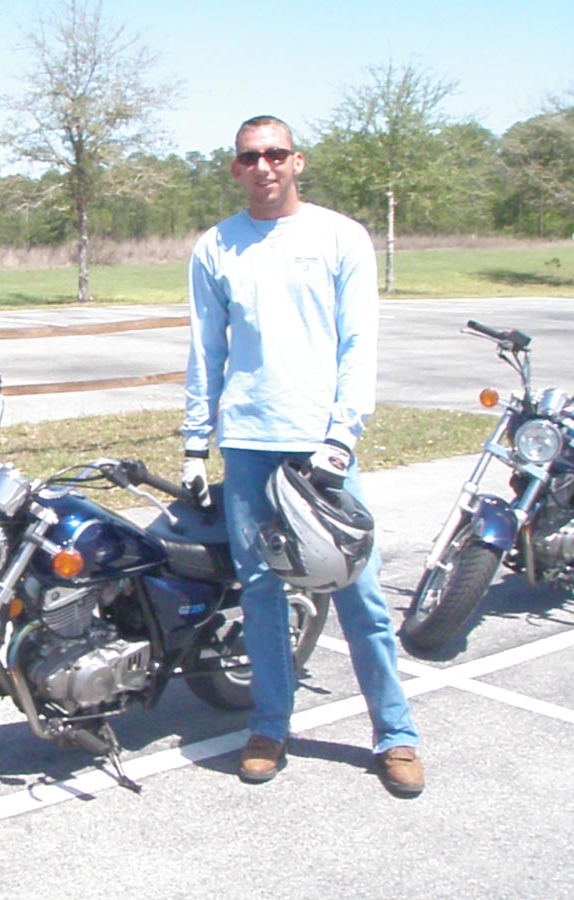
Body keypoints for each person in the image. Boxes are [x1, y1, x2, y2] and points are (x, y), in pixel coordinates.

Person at [179, 114, 423, 795]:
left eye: (275, 154)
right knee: (260, 592)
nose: (263, 166)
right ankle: (269, 726)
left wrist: (342, 437)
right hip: (248, 445)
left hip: (320, 449)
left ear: (297, 161)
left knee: (359, 594)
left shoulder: (340, 237)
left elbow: (359, 345)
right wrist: (195, 445)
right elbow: (205, 350)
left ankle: (395, 735)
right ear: (236, 168)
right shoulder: (216, 247)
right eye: (250, 157)